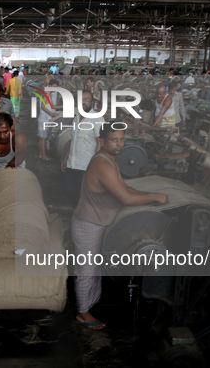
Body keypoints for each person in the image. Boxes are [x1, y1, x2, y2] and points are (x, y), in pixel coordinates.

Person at [72, 127, 169, 329]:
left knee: (96, 266)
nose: (119, 143)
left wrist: (147, 193)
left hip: (99, 221)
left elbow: (125, 188)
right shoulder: (102, 164)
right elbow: (125, 197)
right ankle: (83, 313)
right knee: (86, 269)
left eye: (122, 139)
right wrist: (154, 197)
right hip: (89, 223)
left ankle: (92, 300)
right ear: (102, 140)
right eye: (114, 139)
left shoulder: (109, 161)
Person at [61, 90, 104, 207]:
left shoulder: (97, 119)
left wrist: (95, 165)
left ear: (92, 102)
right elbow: (73, 140)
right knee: (68, 190)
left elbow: (100, 143)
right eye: (81, 100)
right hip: (72, 163)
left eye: (86, 100)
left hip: (86, 166)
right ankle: (77, 210)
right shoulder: (76, 118)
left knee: (86, 194)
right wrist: (65, 159)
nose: (83, 102)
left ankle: (83, 216)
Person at [38, 79, 63, 160]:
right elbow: (43, 106)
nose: (55, 89)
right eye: (54, 87)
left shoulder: (50, 94)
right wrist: (52, 114)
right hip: (44, 117)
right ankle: (44, 155)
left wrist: (62, 106)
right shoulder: (47, 94)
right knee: (43, 138)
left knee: (42, 138)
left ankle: (41, 154)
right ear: (50, 86)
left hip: (45, 117)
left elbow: (52, 106)